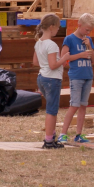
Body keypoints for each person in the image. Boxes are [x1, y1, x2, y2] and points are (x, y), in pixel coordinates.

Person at [33, 14, 70, 149]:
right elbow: (53, 65)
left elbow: (35, 61)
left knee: (51, 107)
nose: (58, 30)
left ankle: (51, 136)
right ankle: (49, 140)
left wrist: (48, 63)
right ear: (51, 27)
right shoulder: (52, 45)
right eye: (58, 27)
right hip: (52, 78)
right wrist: (64, 58)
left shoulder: (39, 43)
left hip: (41, 77)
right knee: (52, 110)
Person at [58, 13, 94, 144]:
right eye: (86, 29)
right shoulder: (69, 39)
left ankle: (79, 134)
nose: (88, 32)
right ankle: (63, 133)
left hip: (88, 75)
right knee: (74, 105)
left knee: (83, 105)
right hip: (76, 76)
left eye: (90, 30)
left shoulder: (88, 40)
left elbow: (93, 59)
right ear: (79, 25)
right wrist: (81, 54)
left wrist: (89, 47)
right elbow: (65, 58)